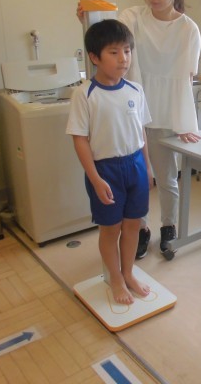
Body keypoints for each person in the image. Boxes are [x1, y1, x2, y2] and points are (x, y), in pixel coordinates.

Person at [77, 0, 201, 259]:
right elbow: (108, 38)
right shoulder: (132, 17)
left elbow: (186, 79)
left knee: (167, 177)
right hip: (131, 111)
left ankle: (169, 226)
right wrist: (86, 21)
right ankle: (141, 228)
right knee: (139, 180)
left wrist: (184, 121)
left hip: (167, 114)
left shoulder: (189, 29)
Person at [66, 19, 153, 305]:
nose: (123, 58)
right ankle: (115, 278)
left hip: (135, 165)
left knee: (133, 225)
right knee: (110, 229)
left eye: (127, 51)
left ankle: (128, 273)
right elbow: (80, 139)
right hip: (106, 169)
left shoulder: (135, 90)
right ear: (94, 57)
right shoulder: (84, 94)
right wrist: (95, 178)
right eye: (114, 52)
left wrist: (147, 167)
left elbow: (141, 132)